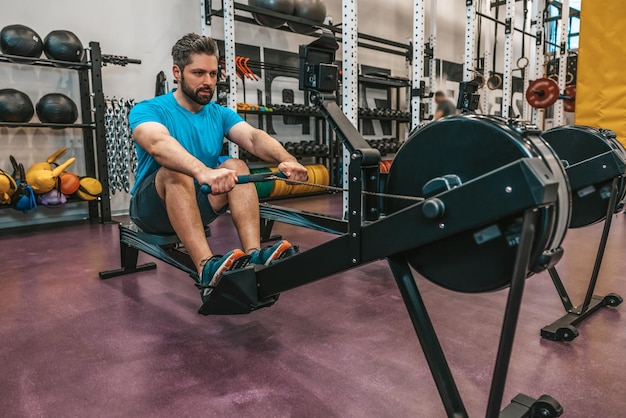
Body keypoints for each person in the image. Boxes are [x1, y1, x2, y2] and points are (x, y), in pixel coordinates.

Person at [129, 33, 309, 303]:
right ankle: (206, 271)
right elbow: (157, 143)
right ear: (177, 72)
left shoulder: (219, 113)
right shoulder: (149, 109)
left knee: (236, 164)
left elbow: (253, 138)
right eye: (199, 73)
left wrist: (289, 159)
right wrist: (202, 171)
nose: (208, 82)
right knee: (176, 171)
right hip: (151, 210)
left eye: (213, 74)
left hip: (195, 203)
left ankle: (254, 256)